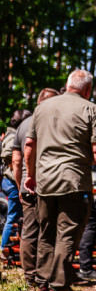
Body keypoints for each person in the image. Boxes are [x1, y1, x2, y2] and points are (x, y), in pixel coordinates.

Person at [24, 71, 96, 291]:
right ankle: (59, 285)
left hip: (44, 181)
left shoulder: (41, 108)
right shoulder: (91, 109)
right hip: (74, 181)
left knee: (46, 231)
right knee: (67, 232)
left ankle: (43, 283)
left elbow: (30, 145)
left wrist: (31, 175)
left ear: (67, 85)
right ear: (88, 90)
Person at [10, 89, 60, 290]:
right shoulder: (50, 122)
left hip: (26, 185)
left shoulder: (22, 125)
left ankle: (29, 274)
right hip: (46, 183)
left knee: (29, 230)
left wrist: (20, 183)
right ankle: (44, 275)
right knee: (48, 230)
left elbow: (16, 160)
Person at [2, 109, 31, 261]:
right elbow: (7, 154)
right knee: (13, 215)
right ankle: (4, 247)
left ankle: (10, 245)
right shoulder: (14, 135)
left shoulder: (11, 134)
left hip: (12, 181)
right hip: (12, 182)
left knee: (17, 215)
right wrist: (15, 164)